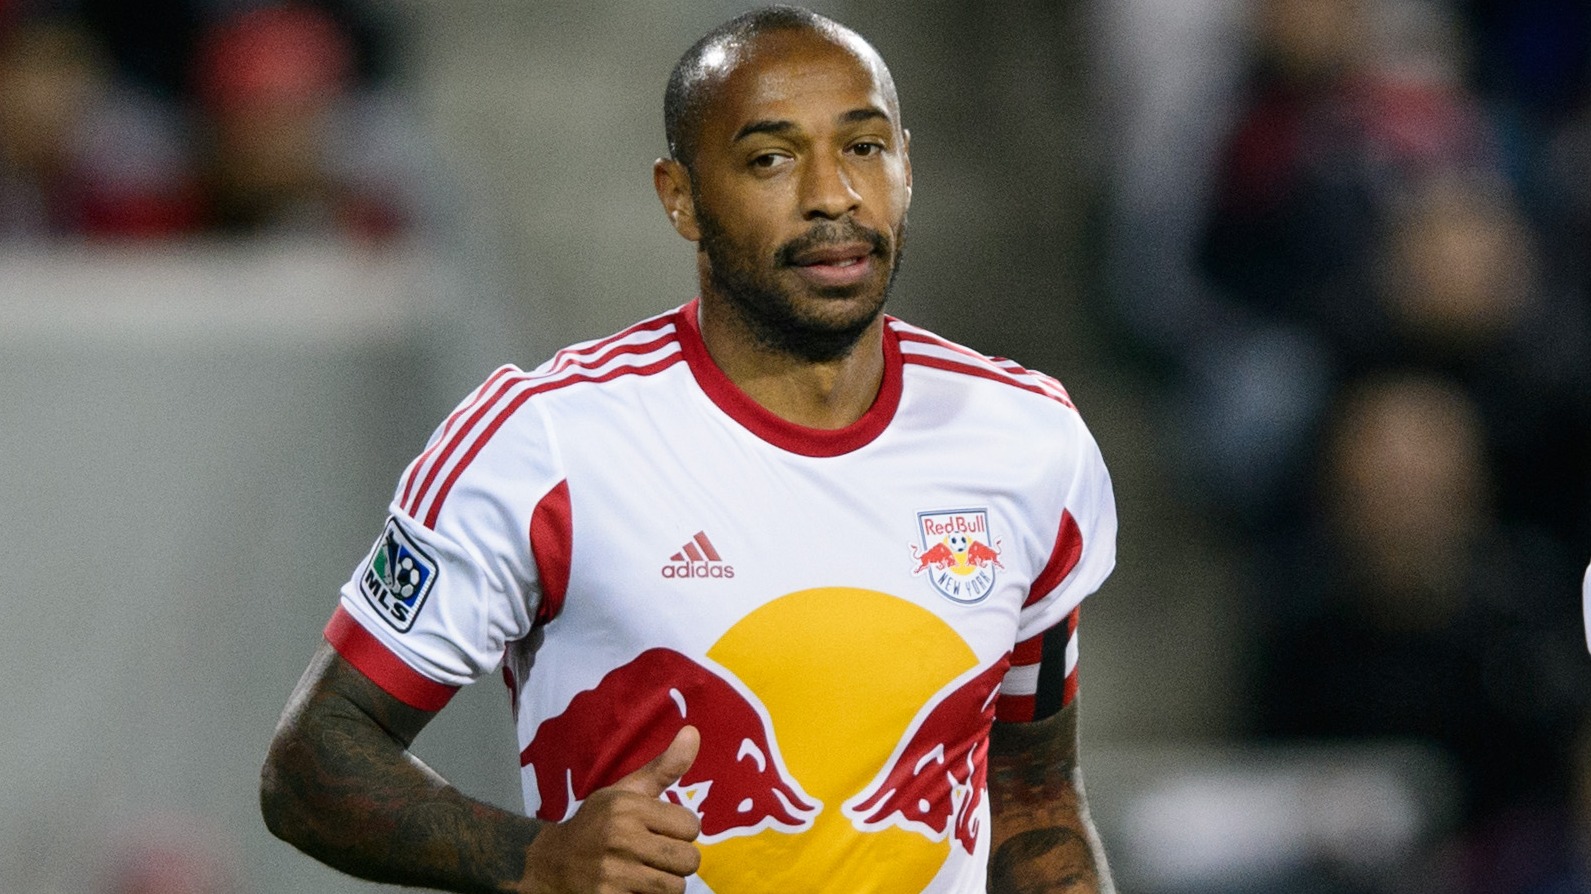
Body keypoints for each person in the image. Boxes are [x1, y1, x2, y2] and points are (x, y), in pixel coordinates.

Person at [259, 7, 1119, 892]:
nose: (833, 195)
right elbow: (314, 759)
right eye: (771, 159)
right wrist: (535, 858)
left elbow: (1034, 795)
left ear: (907, 165)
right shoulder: (545, 442)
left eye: (864, 148)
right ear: (680, 197)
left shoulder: (1025, 439)